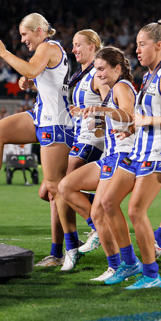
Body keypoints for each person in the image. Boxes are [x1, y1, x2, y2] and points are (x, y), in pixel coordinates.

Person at [0, 12, 73, 277]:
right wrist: (34, 85)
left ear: (39, 30)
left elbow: (30, 68)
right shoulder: (47, 50)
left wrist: (4, 53)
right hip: (41, 116)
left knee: (53, 190)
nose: (23, 40)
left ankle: (64, 249)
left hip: (56, 124)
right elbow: (49, 84)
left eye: (25, 34)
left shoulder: (49, 47)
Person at [101, 20, 161, 289]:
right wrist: (132, 131)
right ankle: (129, 264)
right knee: (108, 202)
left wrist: (147, 122)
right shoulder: (149, 76)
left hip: (159, 150)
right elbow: (144, 117)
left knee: (136, 211)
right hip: (140, 148)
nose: (137, 50)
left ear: (159, 46)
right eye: (137, 44)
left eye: (142, 44)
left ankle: (152, 275)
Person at [58, 46, 136, 281]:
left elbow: (129, 115)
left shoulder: (122, 86)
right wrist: (93, 120)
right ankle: (100, 230)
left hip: (122, 156)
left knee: (101, 210)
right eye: (96, 69)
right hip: (109, 156)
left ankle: (119, 264)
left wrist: (102, 110)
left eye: (102, 69)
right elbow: (110, 125)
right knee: (65, 187)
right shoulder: (112, 91)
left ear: (117, 68)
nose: (97, 74)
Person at [55, 29, 109, 271]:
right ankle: (73, 245)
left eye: (79, 45)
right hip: (80, 137)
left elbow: (109, 106)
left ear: (93, 46)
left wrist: (98, 132)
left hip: (92, 141)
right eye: (73, 45)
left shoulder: (97, 75)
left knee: (62, 188)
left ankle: (93, 229)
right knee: (56, 191)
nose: (74, 49)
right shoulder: (79, 74)